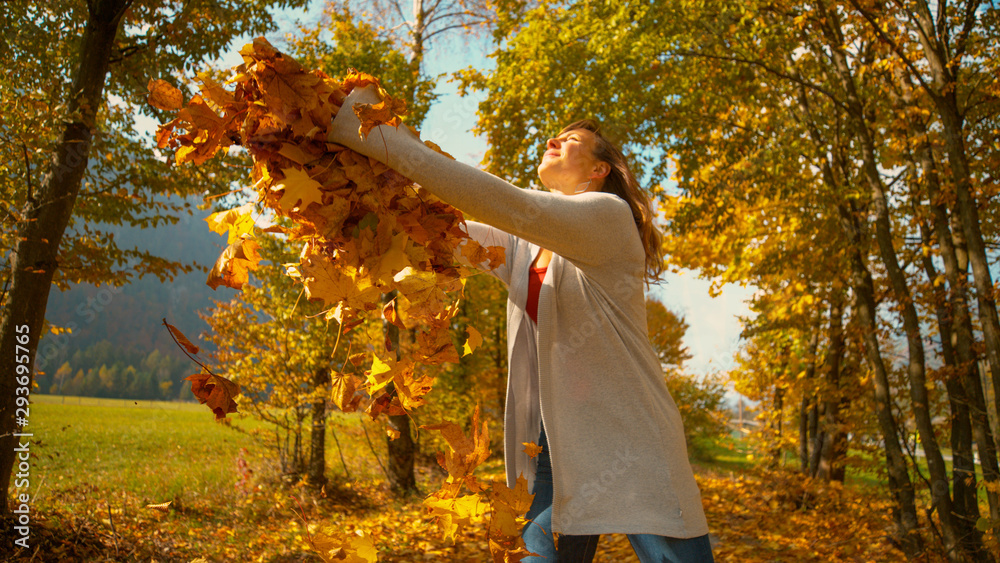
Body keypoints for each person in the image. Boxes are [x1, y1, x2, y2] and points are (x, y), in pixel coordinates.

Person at [328, 85, 714, 563]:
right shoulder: (525, 245)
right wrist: (345, 187)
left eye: (570, 140)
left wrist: (369, 133)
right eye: (555, 136)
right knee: (531, 554)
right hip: (549, 439)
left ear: (599, 171)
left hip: (629, 438)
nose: (554, 140)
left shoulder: (609, 216)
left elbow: (498, 200)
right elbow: (438, 231)